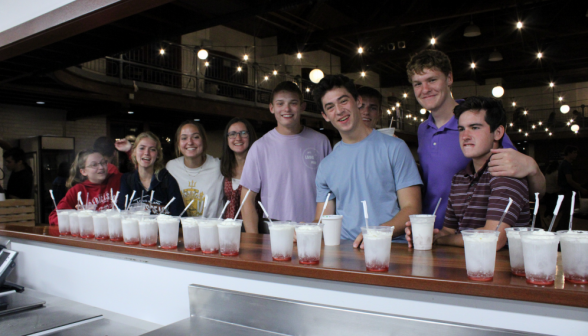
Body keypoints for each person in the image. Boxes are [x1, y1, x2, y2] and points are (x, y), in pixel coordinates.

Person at [407, 49, 545, 230]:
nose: (425, 89)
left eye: (432, 80)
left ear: (449, 78)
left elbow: (526, 186)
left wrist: (533, 168)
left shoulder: (477, 121)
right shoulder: (422, 130)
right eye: (417, 83)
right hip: (435, 232)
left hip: (477, 235)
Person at [313, 75, 422, 248]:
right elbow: (322, 219)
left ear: (358, 101)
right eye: (330, 107)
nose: (339, 110)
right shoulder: (326, 165)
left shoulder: (394, 148)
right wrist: (304, 231)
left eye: (343, 101)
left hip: (391, 248)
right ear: (325, 116)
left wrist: (378, 233)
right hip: (345, 251)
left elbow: (412, 208)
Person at [407, 97, 530, 250]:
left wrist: (440, 241)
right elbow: (448, 230)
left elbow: (494, 237)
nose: (465, 136)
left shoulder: (506, 173)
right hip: (464, 267)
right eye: (461, 129)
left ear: (498, 133)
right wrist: (429, 235)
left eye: (475, 127)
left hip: (500, 269)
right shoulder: (459, 177)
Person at [240, 81, 332, 232]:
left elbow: (331, 194)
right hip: (275, 236)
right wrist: (253, 240)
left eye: (293, 103)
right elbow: (246, 199)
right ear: (272, 108)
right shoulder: (260, 147)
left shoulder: (321, 142)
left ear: (302, 107)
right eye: (280, 103)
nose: (287, 109)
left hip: (314, 232)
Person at [48, 149, 122, 225]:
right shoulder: (78, 190)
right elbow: (54, 217)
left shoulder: (117, 179)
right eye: (94, 165)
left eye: (103, 162)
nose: (101, 167)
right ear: (83, 171)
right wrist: (78, 216)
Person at [118, 132, 184, 216]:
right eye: (142, 148)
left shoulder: (167, 180)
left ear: (157, 155)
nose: (146, 153)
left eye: (152, 149)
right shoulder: (127, 180)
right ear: (134, 152)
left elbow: (180, 216)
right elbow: (122, 214)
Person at [166, 121, 224, 217]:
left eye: (196, 137)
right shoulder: (171, 167)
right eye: (184, 138)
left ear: (204, 140)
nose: (190, 142)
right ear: (178, 144)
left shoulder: (219, 167)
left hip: (212, 230)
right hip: (180, 230)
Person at [220, 118, 264, 227]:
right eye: (232, 134)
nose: (238, 138)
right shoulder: (223, 166)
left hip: (255, 228)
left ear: (250, 136)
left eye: (243, 133)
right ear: (227, 139)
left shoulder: (261, 166)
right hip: (228, 229)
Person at [555, 146, 587, 231]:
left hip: (564, 191)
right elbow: (569, 180)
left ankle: (560, 230)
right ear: (569, 153)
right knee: (566, 214)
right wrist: (581, 188)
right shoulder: (566, 164)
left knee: (566, 214)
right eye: (574, 152)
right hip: (566, 191)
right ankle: (562, 231)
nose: (576, 155)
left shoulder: (565, 164)